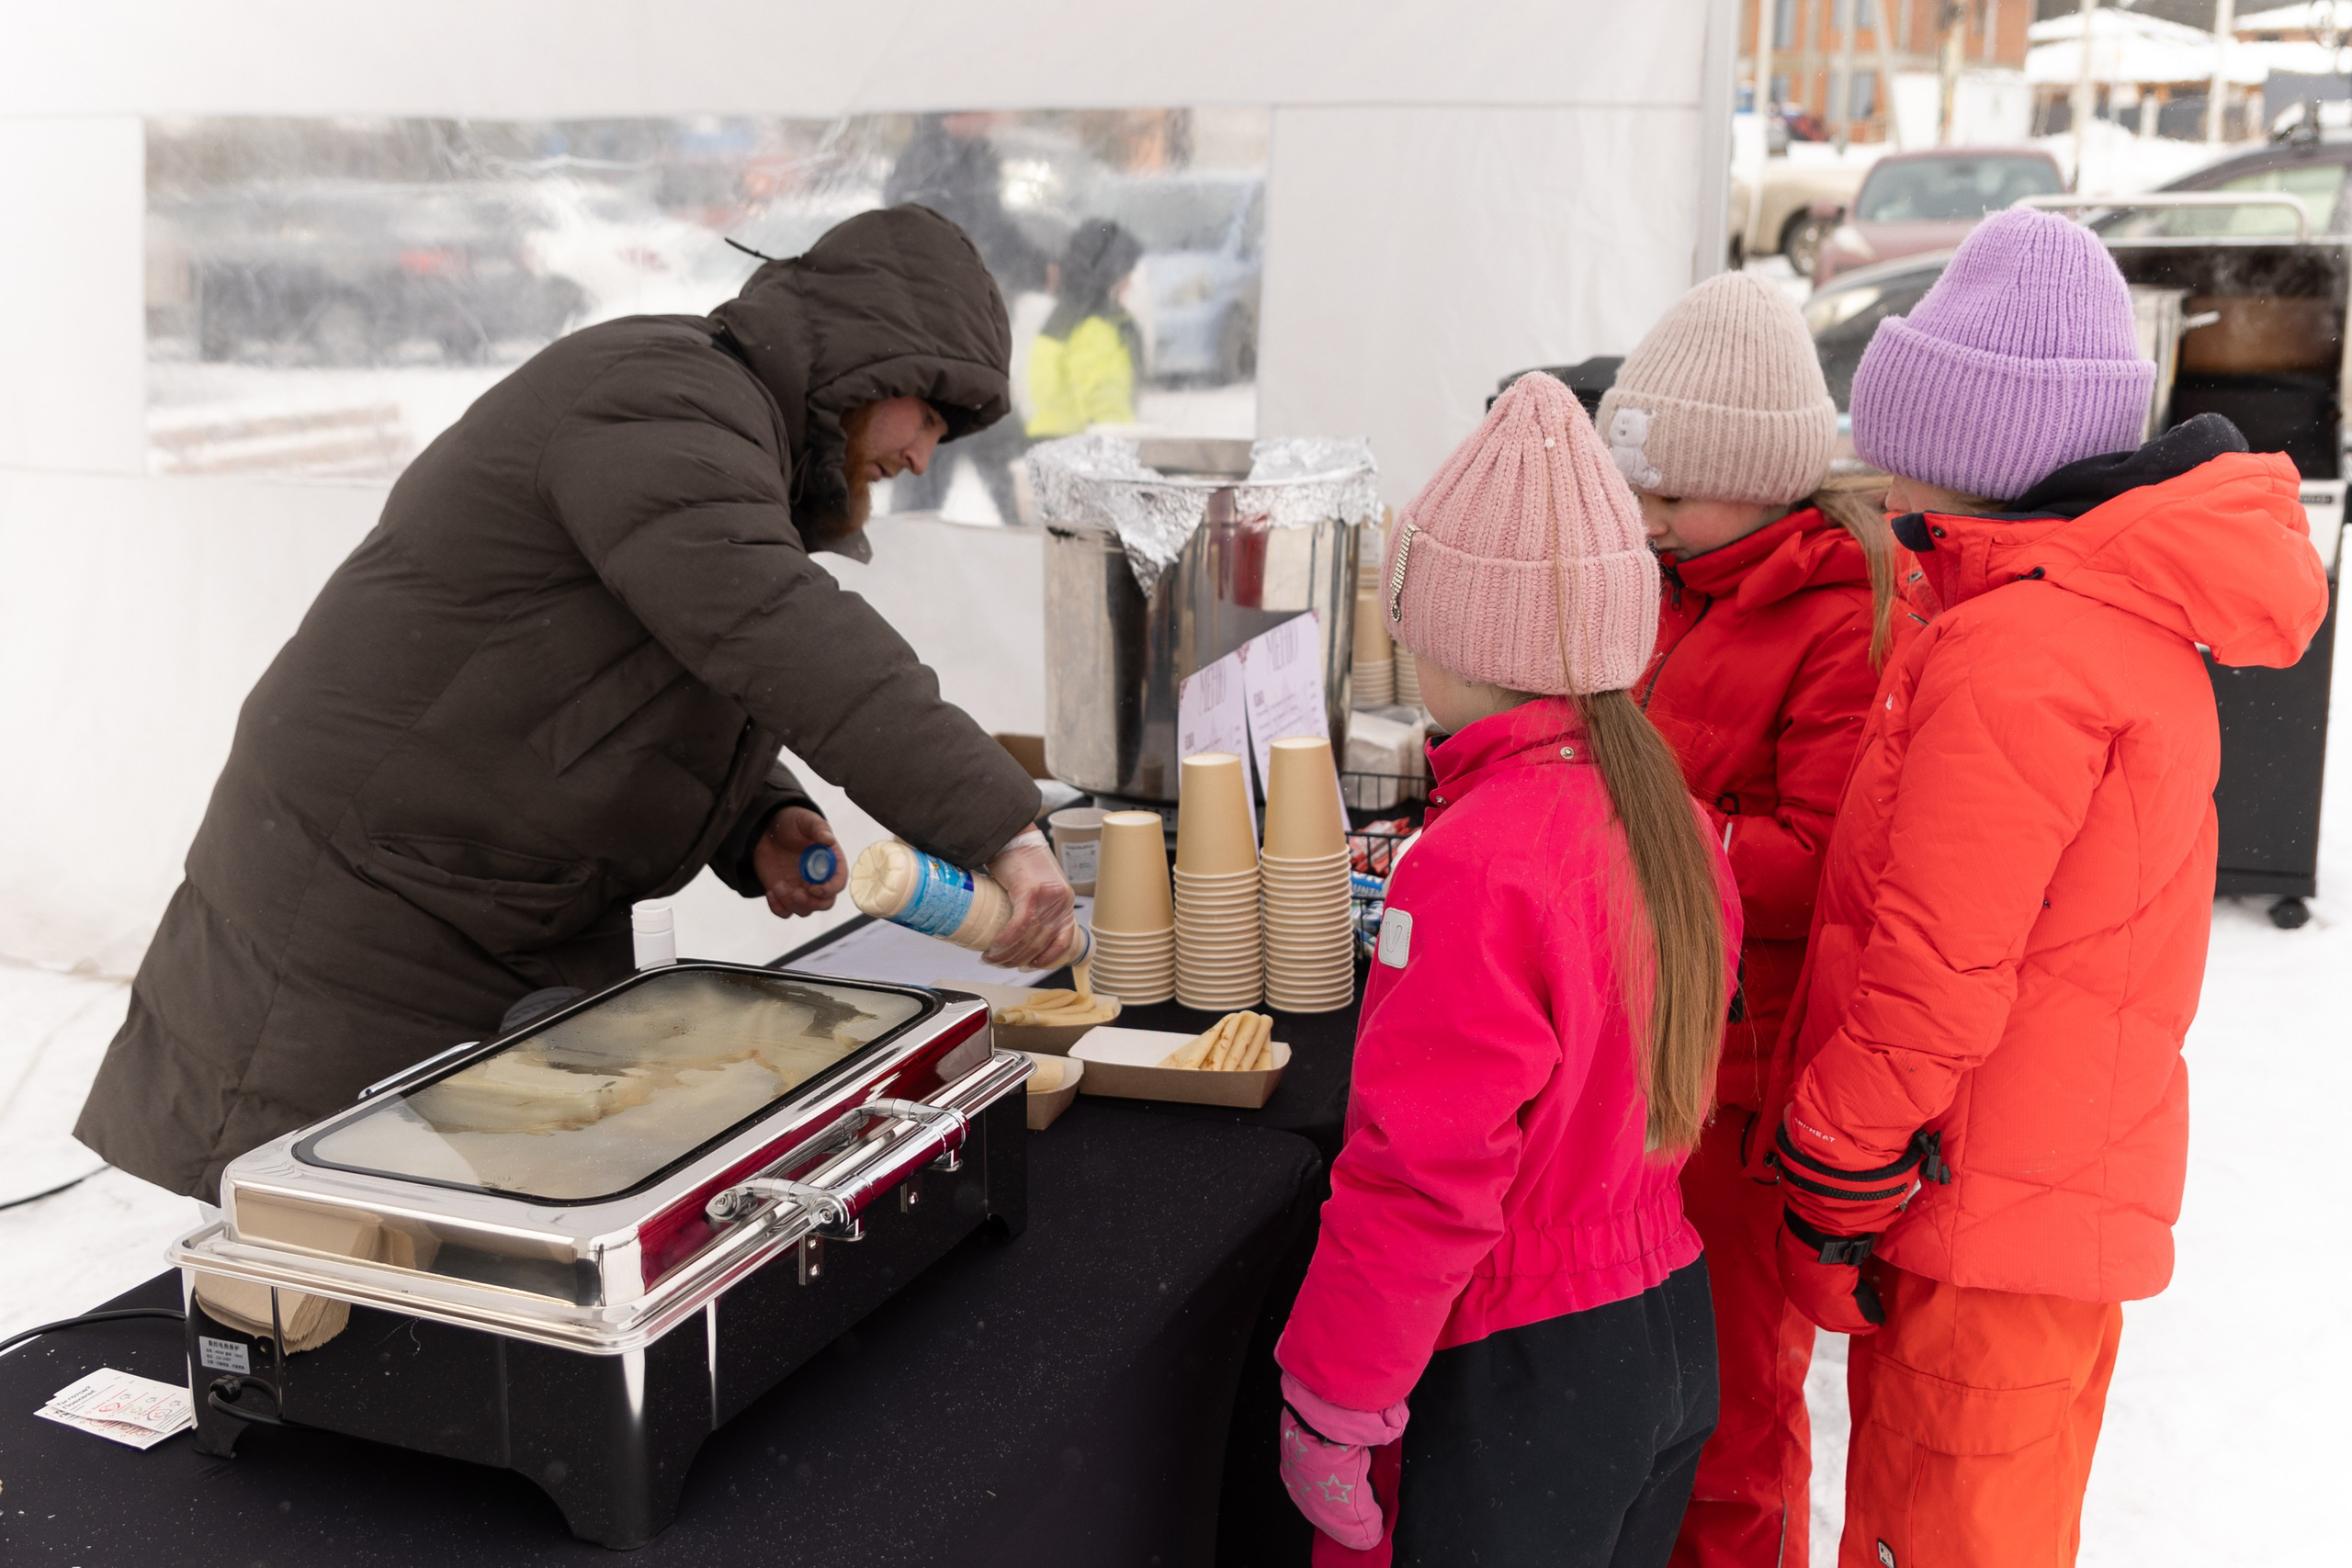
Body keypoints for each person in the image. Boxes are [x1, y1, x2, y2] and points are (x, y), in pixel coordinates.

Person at [75, 205, 1078, 1202]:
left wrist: (755, 814)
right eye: (931, 419)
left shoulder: (717, 435)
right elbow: (774, 627)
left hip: (484, 894)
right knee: (329, 1255)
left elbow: (651, 660)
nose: (920, 459)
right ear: (872, 365)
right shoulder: (655, 396)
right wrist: (999, 825)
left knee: (465, 1254)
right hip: (364, 911)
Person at [1761, 208, 2330, 1566]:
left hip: (1980, 1217)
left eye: (1901, 457)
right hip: (2037, 1204)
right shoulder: (2096, 619)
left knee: (1940, 1536)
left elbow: (1938, 961)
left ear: (1974, 458)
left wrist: (1834, 1158)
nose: (1882, 488)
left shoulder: (2017, 656)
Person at [1272, 372, 1742, 1566]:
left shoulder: (1473, 860)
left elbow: (1423, 1171)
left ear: (1450, 634)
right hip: (1664, 1323)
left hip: (1522, 1361)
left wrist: (1334, 1391)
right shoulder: (1674, 815)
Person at [1594, 271, 1911, 1568]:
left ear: (1765, 473)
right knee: (1645, 1388)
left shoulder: (1845, 613)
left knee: (1731, 1404)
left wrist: (1659, 836)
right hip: (1648, 1038)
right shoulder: (1671, 585)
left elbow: (1829, 860)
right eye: (1640, 495)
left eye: (1672, 493)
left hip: (1742, 1074)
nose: (1651, 520)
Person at [885, 113, 1049, 524]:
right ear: (955, 114)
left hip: (973, 336)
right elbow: (938, 241)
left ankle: (1022, 537)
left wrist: (1038, 267)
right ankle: (909, 553)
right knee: (930, 457)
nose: (993, 119)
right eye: (982, 111)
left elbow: (994, 231)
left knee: (991, 448)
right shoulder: (925, 163)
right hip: (939, 340)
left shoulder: (977, 156)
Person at [1025, 219, 1144, 437]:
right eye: (1126, 275)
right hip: (1081, 453)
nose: (1130, 284)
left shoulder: (1062, 320)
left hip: (1053, 445)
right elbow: (1105, 405)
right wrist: (1127, 448)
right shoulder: (1095, 331)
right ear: (1109, 277)